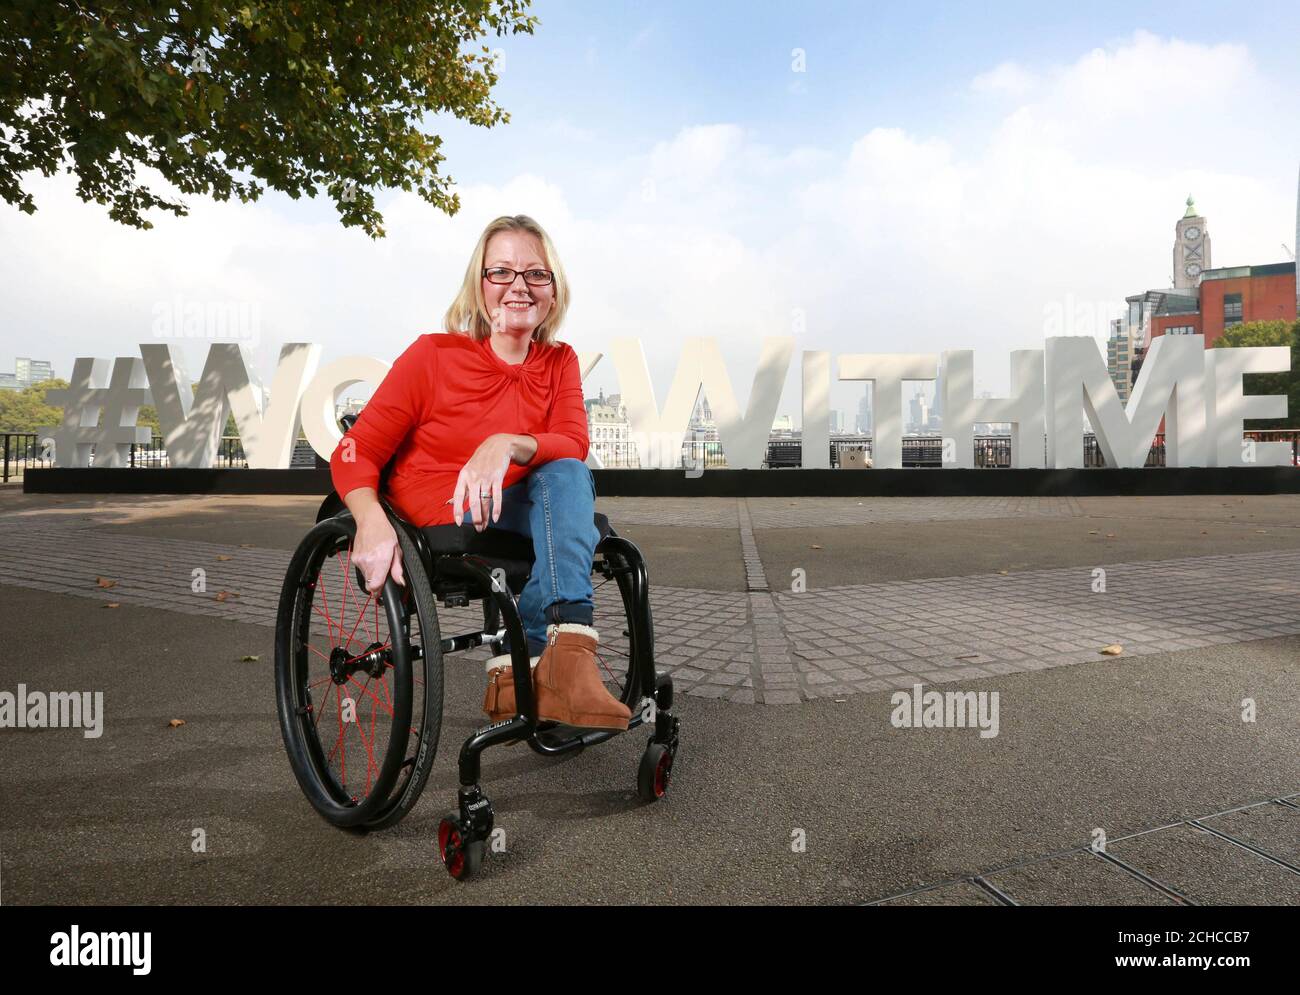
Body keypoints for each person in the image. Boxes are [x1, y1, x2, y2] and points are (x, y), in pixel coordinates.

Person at [329, 214, 631, 731]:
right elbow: (355, 450)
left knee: (567, 472)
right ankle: (545, 663)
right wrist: (370, 518)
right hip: (442, 508)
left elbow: (573, 440)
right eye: (502, 273)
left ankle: (557, 656)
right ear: (479, 285)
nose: (519, 286)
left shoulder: (559, 361)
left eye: (536, 274)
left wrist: (507, 443)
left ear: (553, 293)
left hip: (522, 504)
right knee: (567, 492)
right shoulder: (433, 356)